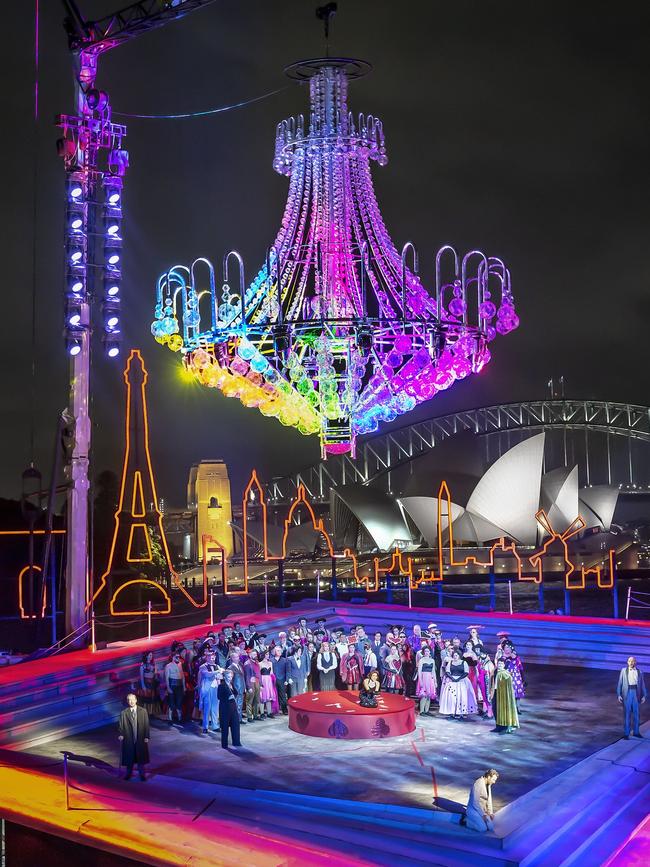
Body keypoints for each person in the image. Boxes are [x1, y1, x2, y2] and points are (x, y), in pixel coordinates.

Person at [118, 693, 150, 781]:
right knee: (129, 757)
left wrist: (147, 736)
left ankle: (142, 774)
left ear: (136, 700)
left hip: (140, 737)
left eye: (132, 699)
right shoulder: (124, 713)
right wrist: (121, 734)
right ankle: (128, 773)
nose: (131, 701)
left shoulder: (143, 711)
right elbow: (121, 725)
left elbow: (146, 724)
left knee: (140, 757)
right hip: (128, 737)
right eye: (129, 700)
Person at [439, 650, 478, 720]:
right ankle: (452, 713)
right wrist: (452, 678)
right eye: (454, 655)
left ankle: (461, 714)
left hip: (462, 681)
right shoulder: (450, 662)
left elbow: (466, 672)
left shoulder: (464, 662)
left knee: (461, 698)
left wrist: (459, 679)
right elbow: (447, 672)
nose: (455, 657)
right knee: (452, 698)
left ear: (459, 656)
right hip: (452, 681)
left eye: (456, 655)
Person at [617, 656, 647, 739]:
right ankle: (626, 733)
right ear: (627, 662)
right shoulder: (623, 671)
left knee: (636, 714)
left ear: (635, 662)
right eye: (629, 661)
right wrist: (619, 694)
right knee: (627, 714)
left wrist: (644, 695)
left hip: (636, 693)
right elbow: (620, 683)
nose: (631, 662)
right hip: (627, 693)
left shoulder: (640, 672)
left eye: (633, 661)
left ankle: (636, 732)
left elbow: (642, 684)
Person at [490, 659, 519, 733]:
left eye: (501, 664)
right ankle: (498, 726)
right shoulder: (495, 671)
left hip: (503, 694)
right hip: (495, 692)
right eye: (499, 663)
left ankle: (504, 726)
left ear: (504, 665)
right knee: (495, 709)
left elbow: (507, 686)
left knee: (502, 709)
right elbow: (492, 681)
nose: (499, 665)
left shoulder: (505, 674)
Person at [197, 652, 221, 734]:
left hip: (216, 688)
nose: (212, 657)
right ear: (206, 657)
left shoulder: (217, 666)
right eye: (210, 656)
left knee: (215, 708)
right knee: (207, 708)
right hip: (207, 689)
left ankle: (215, 726)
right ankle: (205, 727)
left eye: (213, 656)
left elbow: (219, 678)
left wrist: (220, 676)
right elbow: (207, 675)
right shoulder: (203, 666)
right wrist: (217, 671)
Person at [217, 669, 241, 749]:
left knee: (235, 724)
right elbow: (219, 696)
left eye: (231, 676)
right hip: (225, 708)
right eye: (228, 676)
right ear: (225, 676)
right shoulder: (221, 685)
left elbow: (236, 692)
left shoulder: (232, 684)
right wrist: (228, 697)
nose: (230, 678)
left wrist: (234, 695)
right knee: (225, 726)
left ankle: (236, 742)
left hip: (233, 707)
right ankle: (224, 744)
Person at [415, 645, 437, 716]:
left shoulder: (432, 660)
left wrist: (435, 681)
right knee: (424, 695)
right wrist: (420, 681)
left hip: (430, 678)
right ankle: (422, 711)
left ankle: (426, 710)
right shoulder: (421, 660)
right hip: (424, 677)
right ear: (423, 652)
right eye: (425, 651)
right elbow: (419, 671)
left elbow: (433, 671)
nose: (427, 652)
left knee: (429, 695)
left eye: (428, 651)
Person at [164, 651, 185, 725]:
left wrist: (184, 686)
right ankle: (170, 718)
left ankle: (180, 718)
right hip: (172, 685)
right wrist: (168, 688)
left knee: (179, 703)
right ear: (173, 657)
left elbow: (182, 676)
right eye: (176, 657)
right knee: (172, 703)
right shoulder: (168, 666)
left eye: (179, 657)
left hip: (179, 686)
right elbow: (166, 678)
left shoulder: (180, 664)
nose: (178, 658)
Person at [139, 651, 161, 717]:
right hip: (146, 683)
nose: (151, 656)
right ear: (146, 656)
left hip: (152, 683)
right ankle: (146, 713)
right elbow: (141, 677)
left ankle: (152, 712)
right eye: (150, 655)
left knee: (153, 698)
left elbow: (155, 674)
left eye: (152, 655)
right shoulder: (142, 666)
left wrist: (156, 673)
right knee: (146, 699)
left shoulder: (153, 664)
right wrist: (143, 686)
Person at [227, 648, 247, 725]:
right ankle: (234, 720)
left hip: (241, 688)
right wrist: (232, 689)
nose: (237, 658)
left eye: (238, 657)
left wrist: (244, 687)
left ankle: (239, 719)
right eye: (235, 657)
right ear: (232, 658)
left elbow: (242, 677)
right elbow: (230, 680)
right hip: (235, 689)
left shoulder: (240, 666)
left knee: (240, 704)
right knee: (234, 705)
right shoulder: (230, 668)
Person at [244, 649, 262, 722]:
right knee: (250, 700)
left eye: (256, 654)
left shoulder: (257, 663)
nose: (255, 655)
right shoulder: (247, 663)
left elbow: (259, 674)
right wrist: (249, 687)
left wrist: (261, 684)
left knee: (257, 700)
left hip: (257, 683)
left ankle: (255, 715)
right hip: (251, 683)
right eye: (253, 654)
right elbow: (247, 676)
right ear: (249, 655)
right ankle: (249, 716)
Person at [259, 649, 278, 718]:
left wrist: (273, 681)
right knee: (262, 697)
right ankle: (262, 713)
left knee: (269, 697)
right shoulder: (260, 664)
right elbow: (259, 674)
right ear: (263, 655)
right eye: (266, 654)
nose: (268, 655)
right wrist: (260, 684)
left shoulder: (270, 663)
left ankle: (269, 712)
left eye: (268, 654)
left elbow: (272, 673)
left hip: (269, 681)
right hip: (263, 680)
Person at [271, 644, 289, 714]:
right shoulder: (271, 660)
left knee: (283, 695)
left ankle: (284, 710)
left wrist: (287, 680)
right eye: (277, 651)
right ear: (274, 652)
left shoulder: (285, 660)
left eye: (280, 651)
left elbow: (287, 671)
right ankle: (275, 710)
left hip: (282, 680)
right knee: (274, 695)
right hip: (274, 681)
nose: (279, 652)